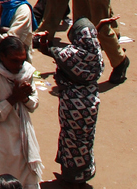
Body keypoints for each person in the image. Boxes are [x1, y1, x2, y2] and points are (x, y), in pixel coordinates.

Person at [0, 36, 43, 189]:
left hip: (23, 142)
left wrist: (24, 97)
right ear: (2, 57)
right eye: (14, 60)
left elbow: (34, 104)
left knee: (29, 183)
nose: (19, 66)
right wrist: (12, 100)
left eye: (22, 61)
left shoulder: (27, 73)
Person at [44, 17, 104, 186]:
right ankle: (83, 172)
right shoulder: (96, 53)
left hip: (73, 104)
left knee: (70, 138)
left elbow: (53, 51)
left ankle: (71, 177)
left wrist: (41, 42)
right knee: (85, 139)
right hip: (91, 102)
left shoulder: (73, 54)